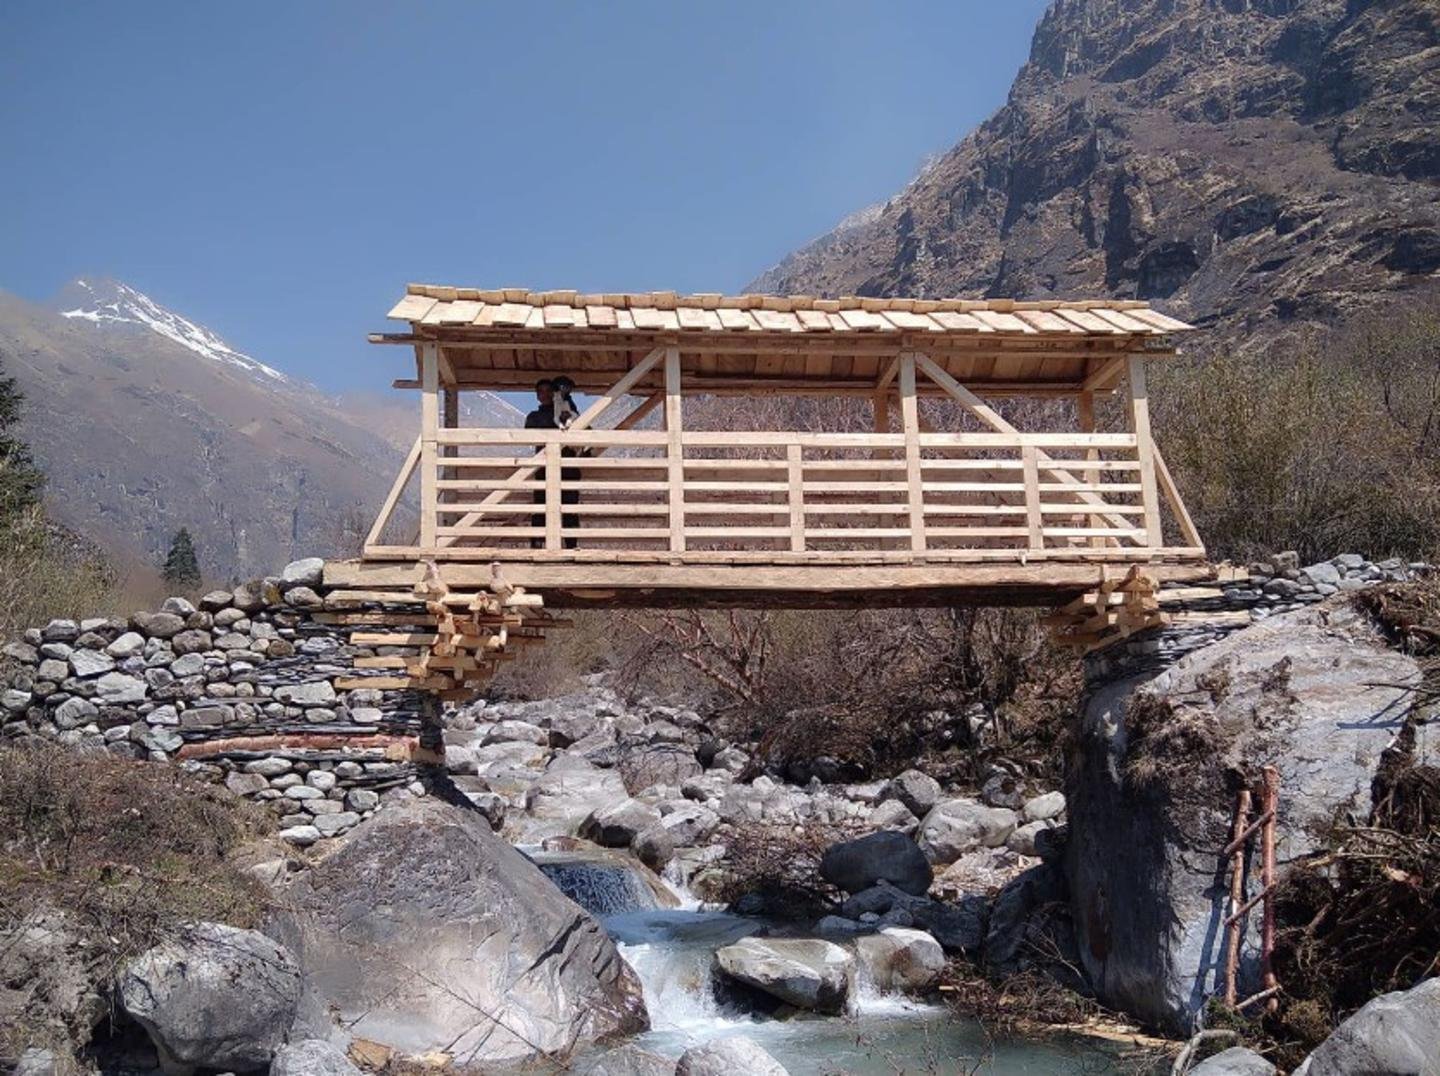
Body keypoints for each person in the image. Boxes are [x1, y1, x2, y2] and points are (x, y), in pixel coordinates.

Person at [524, 378, 580, 548]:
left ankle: (571, 545)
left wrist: (566, 404)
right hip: (544, 468)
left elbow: (583, 428)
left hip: (568, 468)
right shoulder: (534, 417)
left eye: (550, 391)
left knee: (570, 507)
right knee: (541, 507)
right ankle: (537, 545)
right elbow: (529, 435)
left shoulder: (568, 411)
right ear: (537, 396)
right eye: (541, 391)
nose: (546, 395)